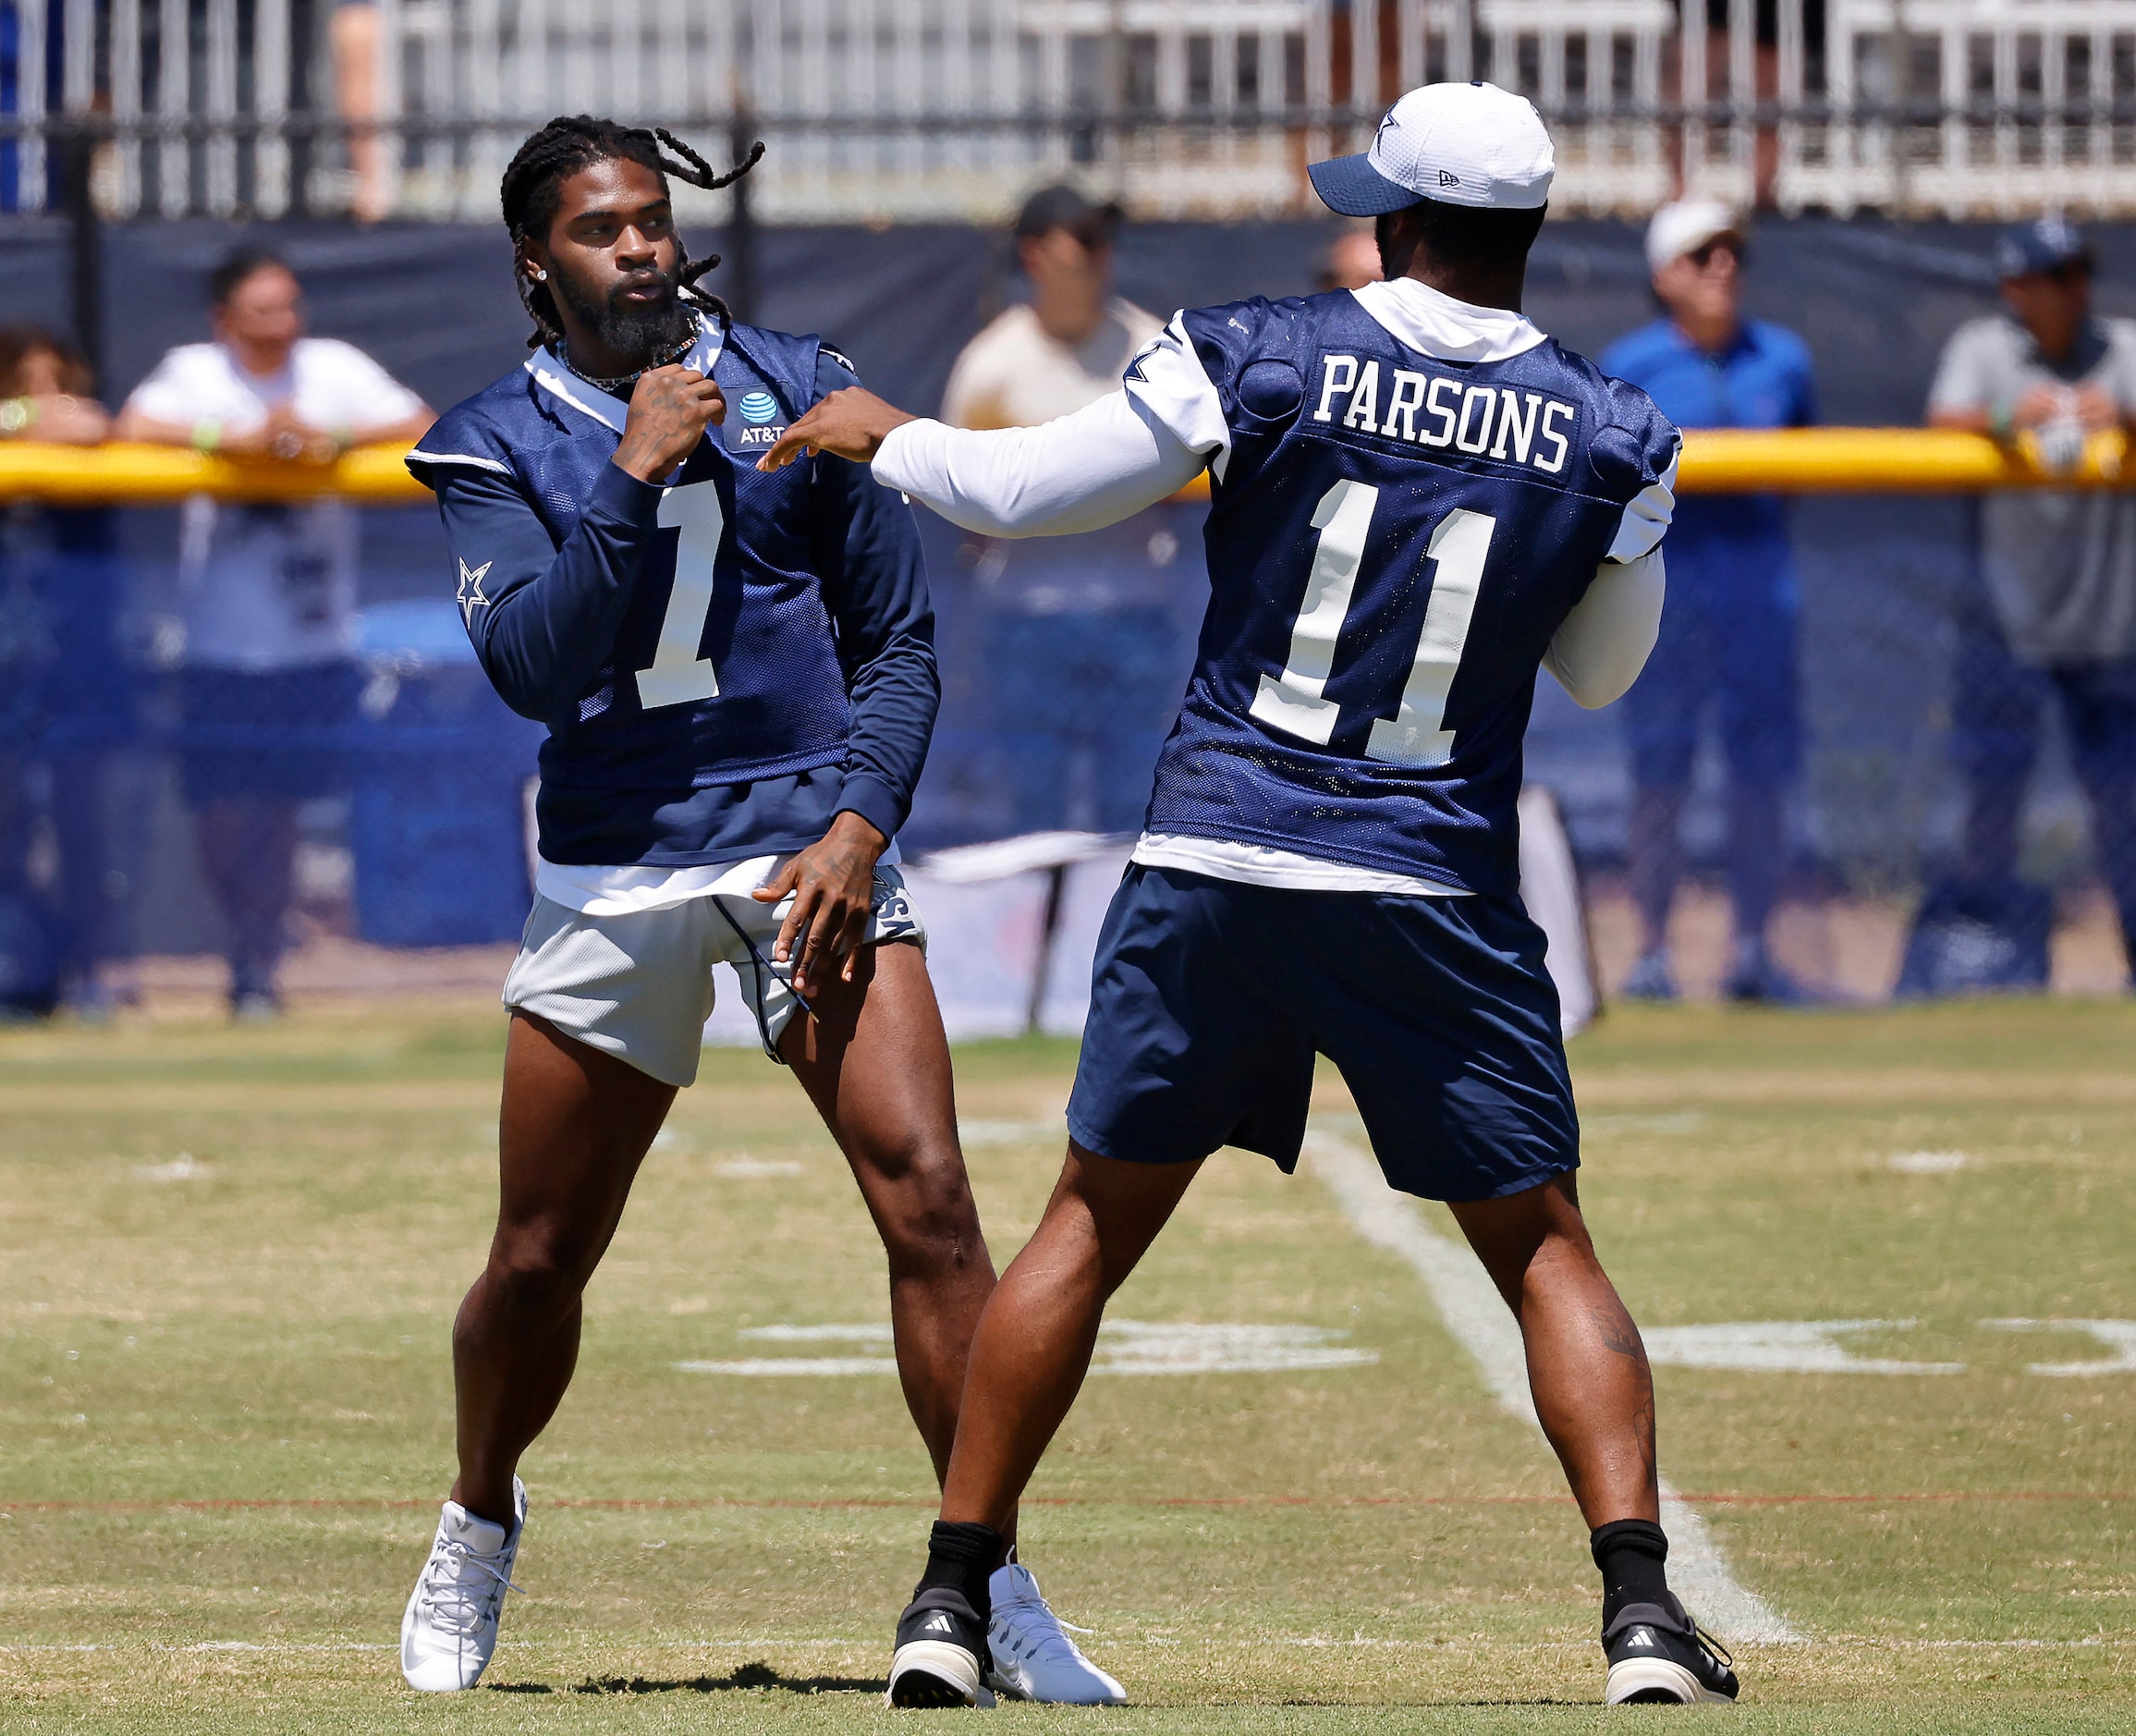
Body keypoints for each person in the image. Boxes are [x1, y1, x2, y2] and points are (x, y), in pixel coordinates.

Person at [765, 81, 1739, 1709]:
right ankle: (1640, 1610)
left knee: (1089, 1218)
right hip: (1426, 873)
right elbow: (1599, 673)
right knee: (1540, 1244)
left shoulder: (1262, 346)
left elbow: (1022, 493)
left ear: (1407, 223)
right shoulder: (1613, 424)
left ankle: (947, 1594)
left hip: (1221, 849)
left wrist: (894, 438)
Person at [391, 116, 1117, 1705]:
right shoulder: (498, 435)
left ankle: (983, 1575)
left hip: (804, 842)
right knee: (536, 1255)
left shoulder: (804, 380)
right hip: (613, 858)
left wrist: (863, 820)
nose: (641, 247)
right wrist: (636, 468)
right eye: (599, 229)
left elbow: (903, 644)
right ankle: (478, 1510)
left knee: (930, 1200)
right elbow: (530, 667)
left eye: (653, 219)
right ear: (537, 260)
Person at [116, 251, 433, 1018]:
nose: (281, 326)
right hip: (217, 642)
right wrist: (232, 438)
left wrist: (321, 435)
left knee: (284, 810)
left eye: (289, 307)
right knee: (225, 814)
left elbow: (421, 426)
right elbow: (131, 429)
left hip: (312, 636)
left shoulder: (330, 370)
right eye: (262, 312)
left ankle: (259, 961)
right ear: (225, 320)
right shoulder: (195, 373)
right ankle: (242, 937)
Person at [1910, 215, 2136, 993]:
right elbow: (1945, 421)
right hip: (2004, 624)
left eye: (2079, 273)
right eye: (2057, 276)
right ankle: (1985, 962)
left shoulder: (2120, 347)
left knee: (2124, 811)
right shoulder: (1985, 347)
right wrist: (2016, 417)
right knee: (1990, 802)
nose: (2077, 290)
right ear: (2017, 288)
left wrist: (2115, 414)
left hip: (2108, 625)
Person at [1602, 200, 1816, 1002]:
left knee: (1758, 780)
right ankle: (1652, 951)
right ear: (1664, 276)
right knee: (1660, 776)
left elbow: (1798, 477)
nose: (1722, 267)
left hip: (1757, 600)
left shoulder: (1783, 360)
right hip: (1663, 601)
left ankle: (1754, 950)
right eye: (1701, 256)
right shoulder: (1632, 365)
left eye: (1731, 252)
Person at [939, 185, 1187, 835]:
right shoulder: (994, 364)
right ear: (1035, 254)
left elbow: (1194, 472)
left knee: (1131, 812)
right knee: (1034, 814)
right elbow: (965, 495)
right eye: (1081, 239)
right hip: (1027, 617)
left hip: (1133, 610)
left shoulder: (1153, 349)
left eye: (1104, 239)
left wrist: (1063, 477)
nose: (1100, 255)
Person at [0, 325, 128, 1017]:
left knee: (85, 822)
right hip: (7, 667)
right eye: (25, 384)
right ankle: (22, 961)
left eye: (55, 381)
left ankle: (92, 973)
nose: (45, 400)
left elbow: (88, 425)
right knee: (7, 820)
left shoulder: (90, 439)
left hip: (79, 665)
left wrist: (46, 423)